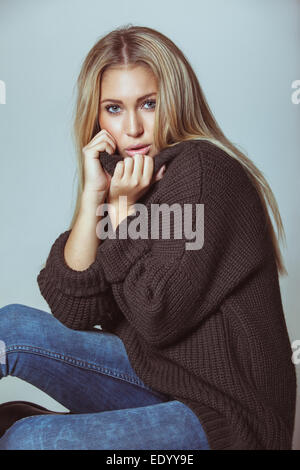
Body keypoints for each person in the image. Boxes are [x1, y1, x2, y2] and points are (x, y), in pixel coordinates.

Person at [0, 24, 296, 450]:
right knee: (10, 326)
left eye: (149, 104)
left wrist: (121, 214)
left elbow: (157, 315)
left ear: (174, 100)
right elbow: (75, 308)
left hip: (227, 416)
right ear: (98, 117)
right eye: (114, 109)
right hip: (155, 380)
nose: (133, 127)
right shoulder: (129, 180)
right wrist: (93, 196)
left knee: (28, 441)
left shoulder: (201, 170)